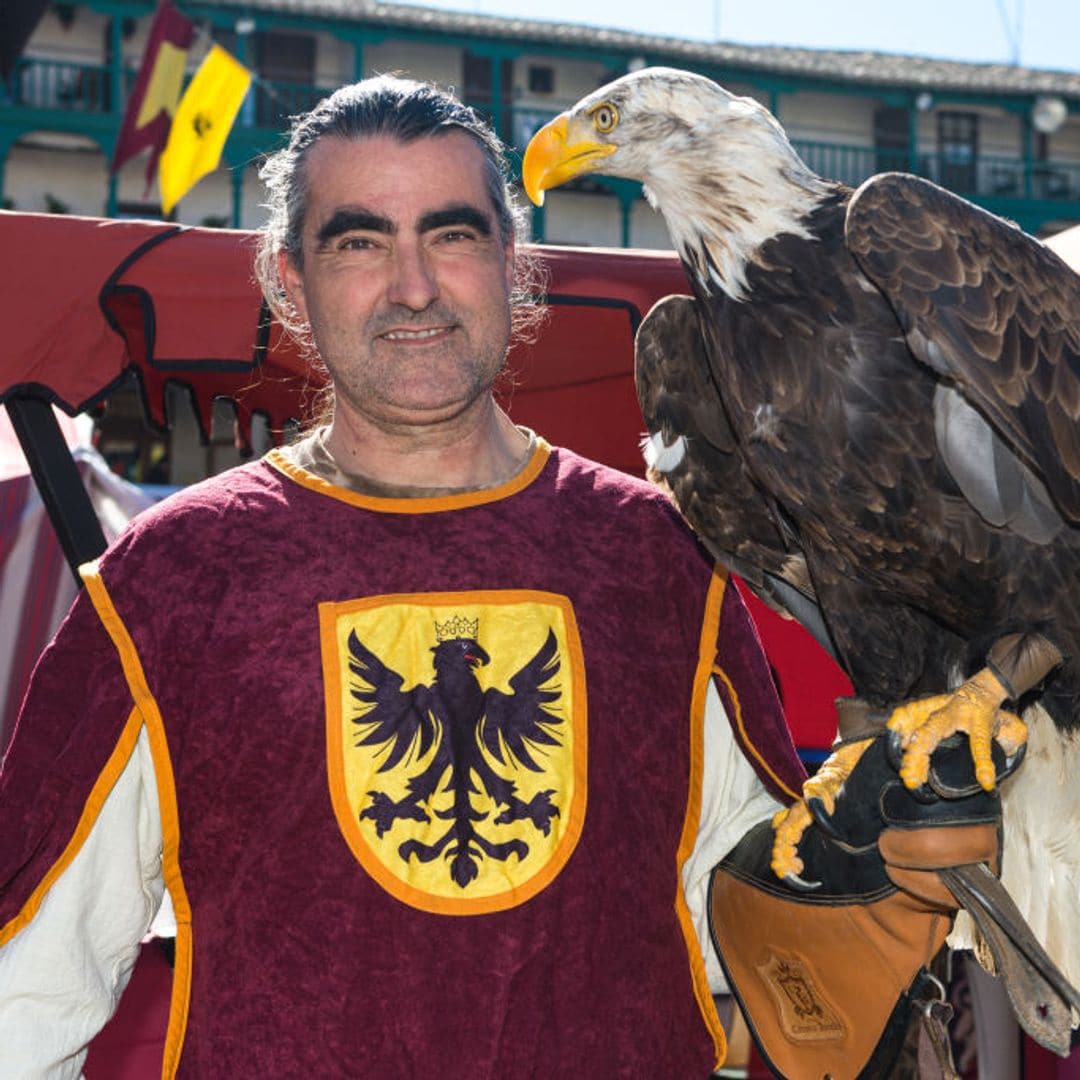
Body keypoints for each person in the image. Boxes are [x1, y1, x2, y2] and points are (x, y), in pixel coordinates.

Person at [0, 76, 1000, 1079]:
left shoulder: (660, 555)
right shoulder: (172, 578)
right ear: (288, 283)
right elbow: (23, 990)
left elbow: (756, 937)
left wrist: (864, 878)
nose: (415, 286)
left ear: (514, 267)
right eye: (358, 241)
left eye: (453, 235)